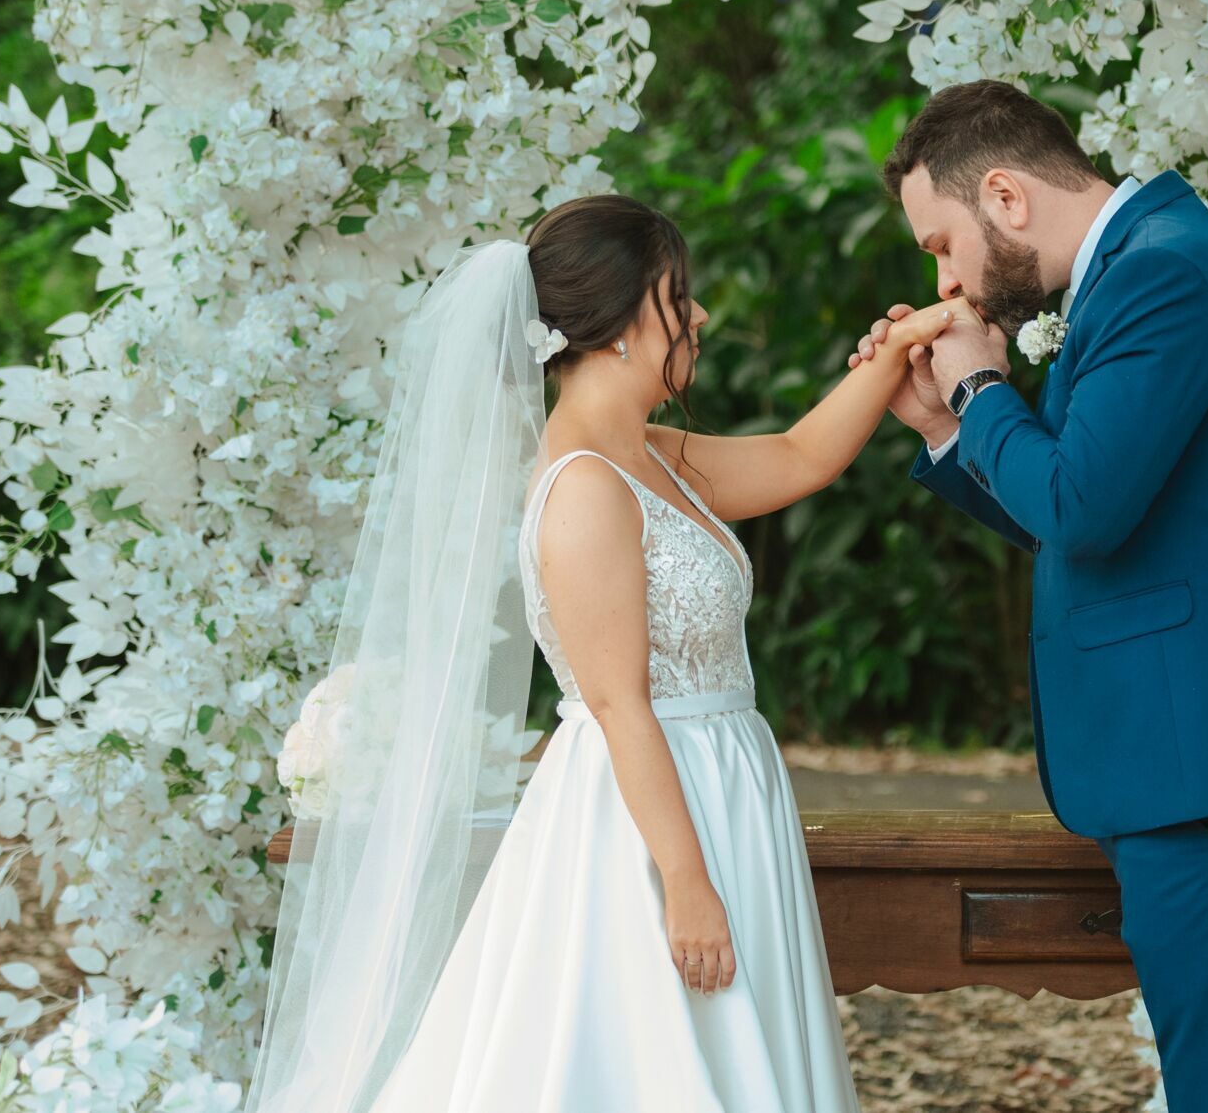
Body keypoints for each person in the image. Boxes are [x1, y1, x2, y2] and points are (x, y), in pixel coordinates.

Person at [246, 196, 959, 1113]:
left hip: (724, 784)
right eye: (677, 297)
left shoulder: (650, 452)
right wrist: (688, 882)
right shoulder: (584, 483)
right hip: (647, 823)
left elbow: (795, 455)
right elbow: (620, 702)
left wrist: (909, 343)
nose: (698, 317)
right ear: (622, 324)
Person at [852, 79, 1208, 1112]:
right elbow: (1082, 525)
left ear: (1006, 197)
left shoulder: (1164, 277)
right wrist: (945, 431)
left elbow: (1084, 505)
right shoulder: (1134, 271)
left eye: (938, 240)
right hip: (1192, 759)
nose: (942, 272)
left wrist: (979, 386)